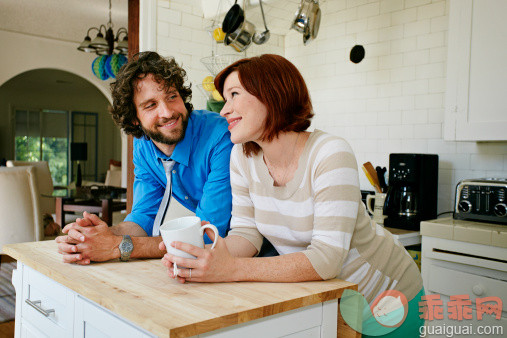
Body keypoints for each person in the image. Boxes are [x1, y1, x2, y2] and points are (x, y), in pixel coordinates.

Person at [160, 54, 424, 336]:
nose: (224, 110)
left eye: (234, 95)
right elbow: (247, 234)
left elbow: (326, 258)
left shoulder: (330, 152)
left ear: (272, 95)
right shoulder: (242, 157)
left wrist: (231, 269)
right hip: (335, 302)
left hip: (390, 297)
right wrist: (207, 256)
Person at [56, 52, 233, 264]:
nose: (167, 112)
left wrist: (117, 246)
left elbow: (206, 234)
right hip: (212, 258)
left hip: (252, 252)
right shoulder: (144, 146)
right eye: (150, 105)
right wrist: (96, 235)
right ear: (134, 120)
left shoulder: (219, 137)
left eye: (172, 96)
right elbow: (142, 218)